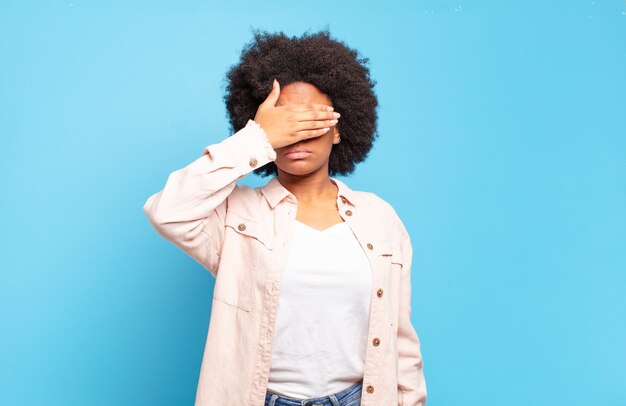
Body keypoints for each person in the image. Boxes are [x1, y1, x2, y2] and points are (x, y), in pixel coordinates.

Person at [143, 29, 426, 406]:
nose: (297, 135)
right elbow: (168, 211)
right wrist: (256, 139)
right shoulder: (236, 215)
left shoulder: (380, 218)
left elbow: (400, 337)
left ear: (340, 129)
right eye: (283, 124)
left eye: (310, 120)